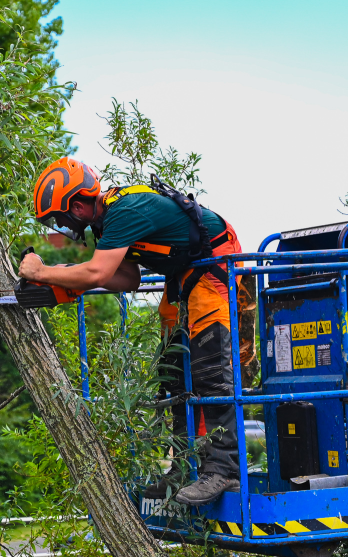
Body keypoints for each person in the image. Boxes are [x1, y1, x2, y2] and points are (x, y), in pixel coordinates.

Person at [19, 157, 243, 506]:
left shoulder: (123, 210)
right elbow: (127, 278)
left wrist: (43, 272)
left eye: (59, 218)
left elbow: (96, 273)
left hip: (213, 263)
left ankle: (225, 470)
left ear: (77, 205)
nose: (60, 226)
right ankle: (183, 468)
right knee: (173, 372)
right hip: (183, 274)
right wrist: (62, 281)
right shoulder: (105, 224)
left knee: (210, 369)